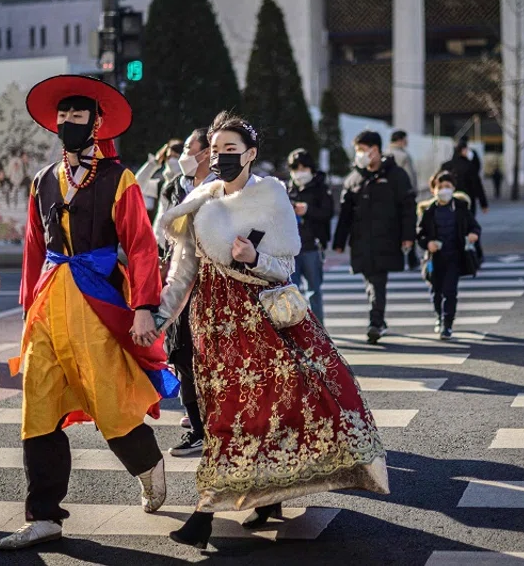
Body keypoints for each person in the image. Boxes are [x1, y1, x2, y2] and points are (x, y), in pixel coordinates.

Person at [154, 112, 389, 549]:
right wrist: (157, 318)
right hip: (214, 328)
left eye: (231, 150)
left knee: (260, 414)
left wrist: (252, 258)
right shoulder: (199, 203)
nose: (222, 158)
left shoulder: (272, 198)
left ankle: (203, 515)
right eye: (216, 149)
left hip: (262, 326)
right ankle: (267, 499)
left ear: (251, 154)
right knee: (224, 416)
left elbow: (285, 268)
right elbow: (181, 274)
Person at [0, 75, 179, 550]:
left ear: (97, 124)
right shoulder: (42, 181)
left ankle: (148, 466)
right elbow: (34, 248)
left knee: (111, 402)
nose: (68, 123)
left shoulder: (121, 179)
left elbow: (140, 245)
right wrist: (27, 308)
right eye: (63, 116)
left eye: (79, 116)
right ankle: (44, 516)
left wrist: (143, 308)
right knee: (37, 408)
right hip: (48, 303)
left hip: (96, 301)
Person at [152, 127, 215, 458]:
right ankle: (198, 426)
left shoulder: (219, 191)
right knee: (180, 355)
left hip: (209, 287)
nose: (183, 156)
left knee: (201, 358)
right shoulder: (177, 185)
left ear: (205, 153)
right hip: (178, 276)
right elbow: (163, 230)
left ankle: (209, 428)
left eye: (189, 148)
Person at [333, 131, 417, 343]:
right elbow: (345, 214)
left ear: (376, 150)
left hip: (386, 238)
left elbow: (408, 207)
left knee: (378, 281)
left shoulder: (396, 175)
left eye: (363, 149)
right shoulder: (354, 178)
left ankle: (376, 322)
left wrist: (408, 236)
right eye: (358, 150)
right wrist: (339, 242)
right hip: (361, 241)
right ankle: (379, 319)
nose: (360, 154)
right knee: (370, 281)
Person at [416, 171, 481, 340]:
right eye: (440, 186)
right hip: (434, 258)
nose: (444, 190)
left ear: (453, 188)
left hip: (455, 256)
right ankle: (439, 316)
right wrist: (428, 243)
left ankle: (447, 324)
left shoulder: (460, 208)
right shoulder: (428, 211)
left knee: (450, 291)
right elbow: (420, 234)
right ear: (433, 190)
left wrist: (474, 234)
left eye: (448, 187)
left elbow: (474, 226)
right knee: (436, 291)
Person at [286, 148, 333, 323]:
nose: (299, 173)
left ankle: (319, 328)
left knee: (314, 290)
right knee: (292, 291)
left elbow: (327, 212)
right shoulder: (286, 189)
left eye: (303, 168)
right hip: (291, 248)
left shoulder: (321, 188)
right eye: (295, 169)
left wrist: (307, 210)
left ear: (311, 169)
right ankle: (298, 328)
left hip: (312, 246)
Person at [386, 130, 420, 270]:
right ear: (400, 140)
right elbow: (410, 177)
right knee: (408, 225)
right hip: (404, 196)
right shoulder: (404, 156)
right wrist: (413, 192)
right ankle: (412, 258)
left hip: (388, 198)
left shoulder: (384, 154)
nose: (407, 142)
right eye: (405, 139)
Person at [440, 138, 488, 216]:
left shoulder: (446, 166)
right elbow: (477, 185)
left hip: (449, 200)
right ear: (463, 150)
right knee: (468, 224)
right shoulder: (470, 166)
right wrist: (483, 204)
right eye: (466, 149)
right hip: (467, 200)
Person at [136, 139, 183, 217]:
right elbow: (137, 185)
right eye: (168, 157)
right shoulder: (161, 185)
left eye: (175, 157)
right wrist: (154, 163)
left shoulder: (189, 184)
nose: (171, 160)